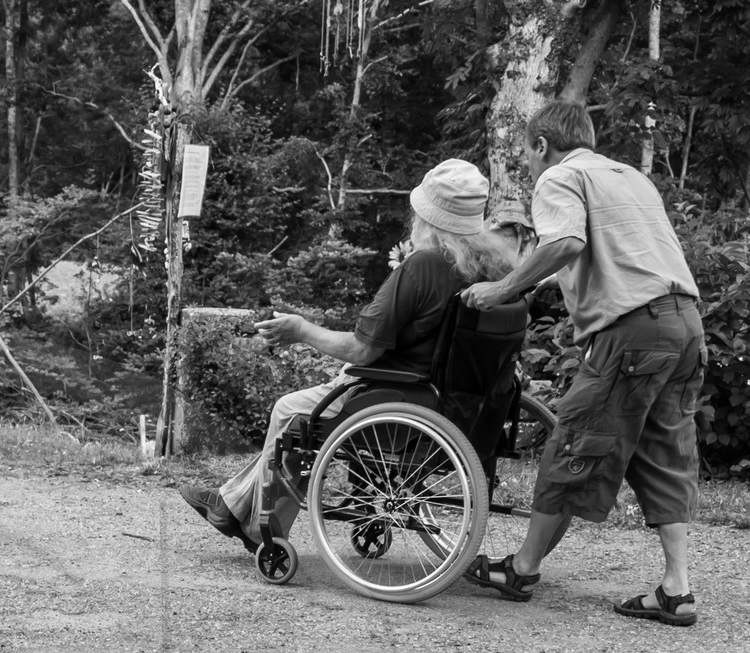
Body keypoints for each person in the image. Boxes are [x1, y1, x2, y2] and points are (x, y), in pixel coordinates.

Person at [180, 160, 518, 550]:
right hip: (467, 409)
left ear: (428, 217)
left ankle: (260, 529)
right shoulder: (497, 270)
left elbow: (362, 348)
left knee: (290, 412)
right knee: (304, 409)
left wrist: (301, 330)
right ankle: (230, 503)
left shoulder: (424, 266)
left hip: (401, 401)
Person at [460, 102, 704, 627]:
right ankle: (676, 589)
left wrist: (505, 286)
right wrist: (548, 281)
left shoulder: (559, 177)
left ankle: (521, 569)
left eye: (527, 153)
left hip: (634, 332)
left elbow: (567, 242)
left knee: (575, 438)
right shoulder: (631, 178)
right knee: (665, 450)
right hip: (685, 324)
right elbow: (624, 256)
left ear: (541, 145)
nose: (529, 164)